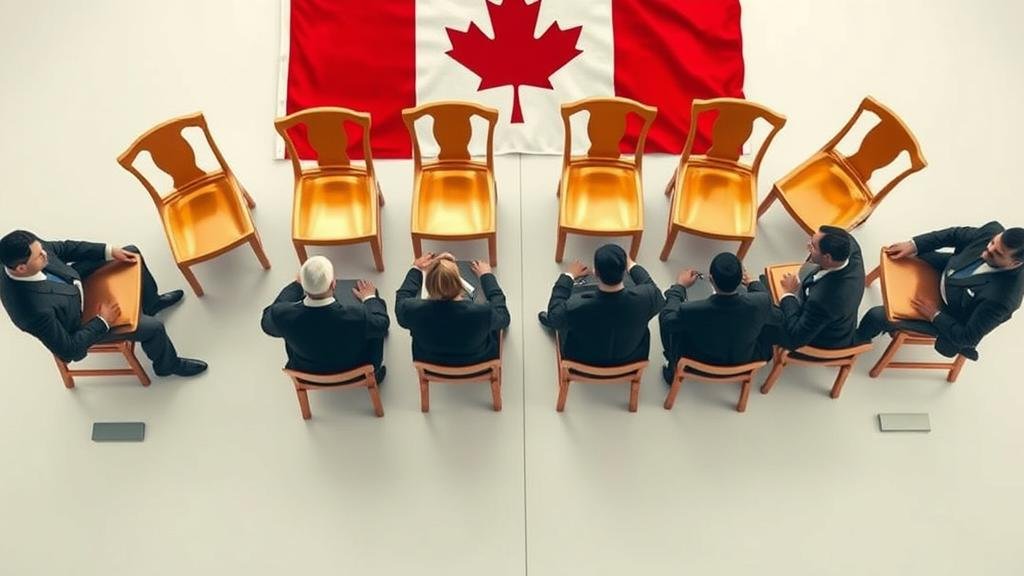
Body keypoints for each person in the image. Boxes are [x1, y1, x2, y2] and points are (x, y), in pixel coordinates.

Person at [0, 229, 205, 376]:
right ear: (21, 269)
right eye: (39, 256)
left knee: (131, 252)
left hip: (73, 283)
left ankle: (151, 302)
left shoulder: (29, 249)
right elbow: (70, 351)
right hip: (80, 320)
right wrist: (103, 321)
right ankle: (167, 365)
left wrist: (109, 251)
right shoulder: (31, 312)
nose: (45, 254)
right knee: (154, 327)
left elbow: (63, 248)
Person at [856, 222, 1024, 360]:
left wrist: (934, 315)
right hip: (950, 269)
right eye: (992, 243)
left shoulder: (1002, 300)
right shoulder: (992, 230)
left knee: (875, 316)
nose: (985, 252)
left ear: (1015, 263)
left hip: (948, 313)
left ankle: (855, 343)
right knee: (903, 251)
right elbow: (953, 234)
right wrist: (913, 245)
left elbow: (968, 338)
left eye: (996, 254)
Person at [261, 256, 389, 381]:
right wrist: (370, 298)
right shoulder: (358, 316)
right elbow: (382, 324)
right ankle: (375, 374)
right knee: (374, 326)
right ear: (333, 284)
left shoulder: (282, 315)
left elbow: (267, 323)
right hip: (357, 368)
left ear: (303, 286)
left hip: (307, 370)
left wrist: (296, 285)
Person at [659, 252, 780, 383]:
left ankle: (672, 365)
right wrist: (753, 283)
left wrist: (679, 287)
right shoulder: (761, 302)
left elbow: (667, 320)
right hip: (744, 361)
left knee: (668, 318)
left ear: (711, 279)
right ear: (740, 279)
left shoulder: (690, 310)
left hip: (697, 360)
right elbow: (778, 317)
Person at [538, 243, 665, 366]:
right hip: (631, 358)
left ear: (595, 272)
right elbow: (651, 287)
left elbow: (554, 318)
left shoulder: (575, 306)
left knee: (567, 305)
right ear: (624, 271)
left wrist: (568, 276)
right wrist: (632, 265)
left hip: (583, 360)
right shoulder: (648, 297)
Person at [748, 225, 865, 350]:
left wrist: (789, 294)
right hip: (826, 309)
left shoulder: (825, 300)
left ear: (827, 257)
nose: (808, 246)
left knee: (760, 321)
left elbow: (795, 337)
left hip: (821, 336)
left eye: (812, 246)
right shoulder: (848, 243)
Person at [395, 252, 510, 366]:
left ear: (429, 285)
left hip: (431, 361)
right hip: (477, 360)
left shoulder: (411, 311)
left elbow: (402, 297)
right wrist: (487, 276)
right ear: (459, 285)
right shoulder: (482, 313)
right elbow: (504, 317)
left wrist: (416, 268)